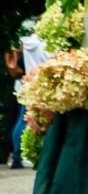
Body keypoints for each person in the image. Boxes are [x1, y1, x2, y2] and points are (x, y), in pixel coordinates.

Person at [7, 21, 46, 168]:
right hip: (42, 87)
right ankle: (31, 153)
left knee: (22, 120)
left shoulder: (27, 43)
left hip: (26, 85)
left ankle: (16, 156)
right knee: (36, 122)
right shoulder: (46, 44)